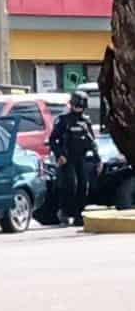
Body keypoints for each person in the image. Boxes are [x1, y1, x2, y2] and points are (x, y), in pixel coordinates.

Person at [49, 91, 101, 227]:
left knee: (83, 186)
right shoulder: (63, 120)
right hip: (67, 158)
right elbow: (53, 139)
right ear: (71, 105)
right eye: (76, 105)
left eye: (81, 106)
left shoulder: (86, 121)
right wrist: (59, 154)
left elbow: (92, 141)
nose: (78, 108)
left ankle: (79, 215)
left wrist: (97, 158)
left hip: (82, 158)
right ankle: (65, 212)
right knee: (70, 185)